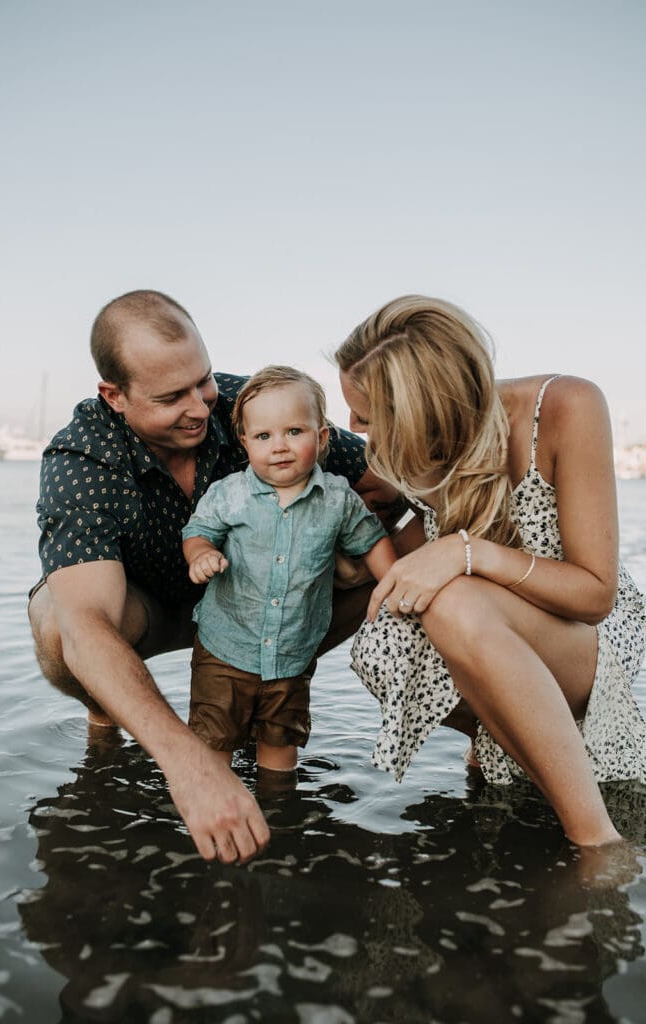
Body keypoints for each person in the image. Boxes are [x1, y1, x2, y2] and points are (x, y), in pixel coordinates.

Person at [28, 289, 400, 865]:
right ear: (115, 396)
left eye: (201, 381)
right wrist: (189, 766)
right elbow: (86, 623)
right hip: (145, 609)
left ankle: (265, 698)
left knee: (386, 565)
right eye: (171, 397)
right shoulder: (83, 458)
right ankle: (107, 708)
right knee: (57, 620)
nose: (202, 408)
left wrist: (357, 538)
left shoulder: (250, 405)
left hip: (256, 603)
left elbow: (390, 479)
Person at [335, 294, 646, 849]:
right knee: (382, 635)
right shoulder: (420, 450)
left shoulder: (564, 406)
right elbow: (427, 549)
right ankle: (504, 741)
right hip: (496, 621)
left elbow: (595, 594)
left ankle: (597, 841)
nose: (354, 427)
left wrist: (469, 552)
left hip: (589, 632)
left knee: (453, 601)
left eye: (366, 417)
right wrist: (373, 538)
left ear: (422, 409)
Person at [182, 366, 397, 775]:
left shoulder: (337, 499)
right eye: (264, 436)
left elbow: (371, 540)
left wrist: (395, 586)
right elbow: (198, 531)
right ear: (245, 443)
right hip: (225, 648)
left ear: (321, 437)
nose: (279, 446)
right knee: (213, 744)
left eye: (294, 432)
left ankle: (281, 821)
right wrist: (200, 555)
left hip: (293, 655)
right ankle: (215, 813)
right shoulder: (230, 494)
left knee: (281, 745)